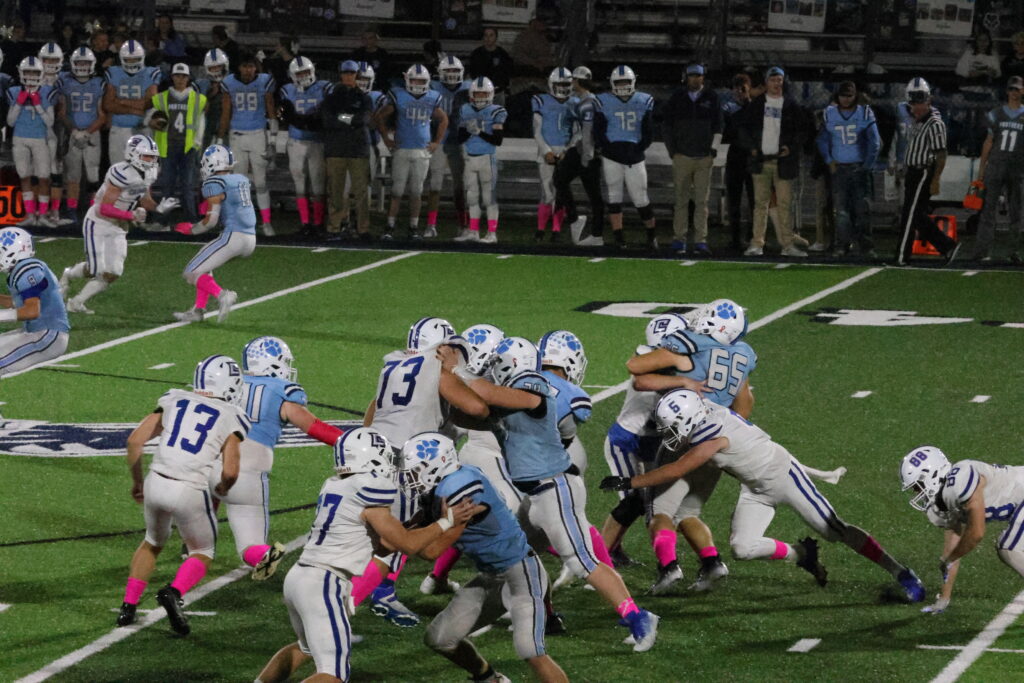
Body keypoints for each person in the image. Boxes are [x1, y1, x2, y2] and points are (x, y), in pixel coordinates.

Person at [602, 389, 926, 603]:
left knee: (834, 529)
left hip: (783, 477)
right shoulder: (704, 410)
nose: (670, 434)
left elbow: (677, 469)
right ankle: (801, 553)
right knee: (742, 548)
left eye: (674, 426)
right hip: (755, 488)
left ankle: (901, 572)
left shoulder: (711, 436)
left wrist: (629, 480)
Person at [454, 337, 660, 652]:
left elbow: (489, 393)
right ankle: (544, 615)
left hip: (554, 489)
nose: (492, 369)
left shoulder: (532, 384)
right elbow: (474, 412)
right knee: (514, 558)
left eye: (498, 363)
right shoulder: (509, 398)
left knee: (581, 562)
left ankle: (639, 618)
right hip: (535, 495)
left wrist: (456, 371)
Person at [254, 427, 478, 683]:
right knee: (333, 674)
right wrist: (446, 522)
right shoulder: (370, 485)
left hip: (300, 577)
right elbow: (407, 545)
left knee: (305, 649)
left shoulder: (335, 484)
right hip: (324, 581)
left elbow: (386, 544)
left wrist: (417, 526)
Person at [355, 318, 489, 627]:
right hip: (406, 458)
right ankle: (373, 595)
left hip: (374, 452)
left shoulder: (394, 364)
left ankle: (357, 588)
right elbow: (477, 408)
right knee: (400, 534)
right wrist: (460, 376)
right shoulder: (435, 369)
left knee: (374, 531)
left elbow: (374, 408)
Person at [405, 433, 569, 683]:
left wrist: (405, 539)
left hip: (522, 573)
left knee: (531, 651)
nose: (412, 477)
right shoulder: (450, 482)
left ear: (439, 463)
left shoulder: (460, 491)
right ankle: (490, 679)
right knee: (439, 638)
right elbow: (417, 528)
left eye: (418, 470)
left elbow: (431, 551)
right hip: (492, 577)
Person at [116, 355, 249, 634]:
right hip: (189, 489)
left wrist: (137, 482)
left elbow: (134, 441)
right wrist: (223, 488)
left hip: (156, 481)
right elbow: (231, 471)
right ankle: (173, 592)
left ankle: (128, 606)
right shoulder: (231, 415)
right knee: (202, 551)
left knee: (152, 542)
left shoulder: (174, 398)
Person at [212, 336, 345, 581]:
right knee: (249, 546)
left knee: (203, 522)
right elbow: (313, 427)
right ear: (273, 363)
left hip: (211, 458)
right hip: (249, 467)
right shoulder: (280, 390)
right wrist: (349, 441)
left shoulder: (230, 383)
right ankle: (261, 554)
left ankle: (194, 544)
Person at [60, 135, 178, 314]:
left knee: (113, 272)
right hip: (98, 223)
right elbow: (104, 208)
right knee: (95, 269)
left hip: (119, 225)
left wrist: (158, 208)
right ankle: (68, 274)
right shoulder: (121, 172)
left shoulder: (147, 173)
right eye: (147, 156)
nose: (151, 161)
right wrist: (131, 215)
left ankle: (76, 302)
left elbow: (144, 197)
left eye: (153, 157)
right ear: (133, 154)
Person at [899, 446, 1024, 614]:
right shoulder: (944, 500)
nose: (917, 492)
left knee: (1008, 548)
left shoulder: (960, 479)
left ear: (933, 475)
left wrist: (951, 559)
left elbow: (976, 533)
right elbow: (952, 550)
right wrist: (943, 599)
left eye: (918, 486)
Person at [172, 144, 256, 324]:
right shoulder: (240, 179)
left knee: (190, 272)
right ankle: (198, 310)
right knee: (204, 267)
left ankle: (222, 295)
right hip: (250, 239)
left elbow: (210, 222)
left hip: (233, 237)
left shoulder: (214, 183)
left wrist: (191, 229)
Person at [738, 66, 811, 258]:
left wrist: (791, 147)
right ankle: (757, 243)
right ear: (766, 82)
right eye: (773, 80)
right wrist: (752, 148)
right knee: (760, 204)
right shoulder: (757, 104)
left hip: (783, 162)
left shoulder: (791, 105)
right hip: (761, 161)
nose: (777, 83)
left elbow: (802, 130)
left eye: (779, 80)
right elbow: (743, 129)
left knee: (784, 204)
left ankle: (787, 244)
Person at [892, 78, 960, 266]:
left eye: (920, 102)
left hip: (922, 171)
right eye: (913, 103)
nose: (916, 107)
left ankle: (902, 257)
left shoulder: (934, 123)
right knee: (916, 215)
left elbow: (941, 153)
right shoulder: (917, 120)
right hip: (913, 171)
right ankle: (947, 245)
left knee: (910, 215)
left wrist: (935, 179)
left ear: (928, 100)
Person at [376, 64, 447, 241]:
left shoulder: (432, 97)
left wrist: (437, 142)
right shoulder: (398, 94)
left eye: (421, 81)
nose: (417, 84)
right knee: (397, 190)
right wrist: (386, 138)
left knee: (416, 191)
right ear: (407, 80)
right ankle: (390, 226)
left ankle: (413, 227)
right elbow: (380, 116)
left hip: (422, 150)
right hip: (402, 149)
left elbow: (444, 119)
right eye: (414, 80)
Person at [595, 65, 657, 251]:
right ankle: (619, 238)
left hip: (634, 155)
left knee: (641, 198)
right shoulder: (603, 101)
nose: (622, 86)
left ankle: (651, 236)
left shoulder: (643, 100)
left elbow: (648, 132)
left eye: (625, 82)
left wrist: (637, 150)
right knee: (614, 197)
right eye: (619, 82)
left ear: (633, 82)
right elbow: (599, 132)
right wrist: (608, 149)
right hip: (611, 155)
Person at [816, 81, 881, 258]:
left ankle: (864, 246)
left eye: (849, 96)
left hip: (858, 167)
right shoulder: (830, 113)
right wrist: (829, 160)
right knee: (842, 211)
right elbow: (822, 139)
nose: (846, 99)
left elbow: (875, 142)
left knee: (861, 210)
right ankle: (843, 245)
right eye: (843, 95)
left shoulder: (864, 112)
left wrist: (867, 165)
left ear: (855, 96)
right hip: (840, 168)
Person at [663, 64, 722, 258]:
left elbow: (718, 125)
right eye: (692, 76)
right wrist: (673, 151)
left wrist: (712, 150)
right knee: (680, 200)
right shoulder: (677, 98)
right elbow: (667, 126)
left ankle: (700, 240)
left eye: (698, 76)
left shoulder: (711, 97)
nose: (695, 79)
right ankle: (679, 238)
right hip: (683, 156)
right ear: (686, 77)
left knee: (701, 202)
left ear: (703, 77)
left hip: (703, 157)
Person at [0, 228, 70, 381]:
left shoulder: (27, 268)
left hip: (48, 334)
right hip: (36, 332)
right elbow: (17, 303)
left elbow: (31, 311)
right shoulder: (24, 268)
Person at [970, 76, 1024, 263]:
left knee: (1016, 212)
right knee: (987, 210)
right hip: (996, 165)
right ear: (1007, 91)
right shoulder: (996, 114)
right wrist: (981, 170)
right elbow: (989, 141)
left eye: (1017, 89)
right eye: (1012, 89)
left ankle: (1013, 251)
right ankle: (982, 251)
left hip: (1017, 168)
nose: (1014, 92)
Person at [223, 52, 278, 236]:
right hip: (237, 134)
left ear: (256, 67)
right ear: (239, 67)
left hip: (257, 134)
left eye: (251, 66)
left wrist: (272, 139)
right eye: (245, 66)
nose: (248, 70)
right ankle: (241, 223)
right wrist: (220, 137)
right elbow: (226, 112)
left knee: (261, 182)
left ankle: (266, 222)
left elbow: (271, 110)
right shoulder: (229, 83)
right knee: (239, 183)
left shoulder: (264, 81)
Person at [321, 60, 374, 242]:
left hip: (358, 149)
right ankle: (335, 227)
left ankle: (362, 229)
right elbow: (327, 120)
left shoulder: (364, 98)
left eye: (352, 73)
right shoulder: (331, 97)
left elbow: (363, 120)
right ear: (341, 74)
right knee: (336, 192)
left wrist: (341, 118)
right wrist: (350, 119)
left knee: (361, 192)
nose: (349, 76)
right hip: (336, 149)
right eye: (346, 73)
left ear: (357, 75)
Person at [147, 63, 206, 224]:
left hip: (188, 147)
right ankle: (163, 222)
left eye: (183, 76)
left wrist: (196, 144)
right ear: (172, 77)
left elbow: (200, 122)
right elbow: (149, 118)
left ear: (188, 78)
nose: (180, 79)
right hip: (167, 146)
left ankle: (190, 222)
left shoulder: (197, 98)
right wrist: (152, 122)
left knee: (188, 186)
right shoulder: (162, 97)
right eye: (177, 76)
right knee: (168, 187)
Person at [279, 56, 332, 237]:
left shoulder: (324, 87)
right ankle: (305, 223)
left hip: (318, 141)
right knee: (300, 185)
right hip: (296, 141)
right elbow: (285, 115)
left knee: (318, 185)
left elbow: (328, 112)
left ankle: (318, 223)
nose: (303, 76)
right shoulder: (288, 90)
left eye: (306, 72)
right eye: (299, 73)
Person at [557, 66, 604, 247]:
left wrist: (587, 156)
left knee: (594, 196)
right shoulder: (582, 100)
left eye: (573, 80)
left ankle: (597, 234)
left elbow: (587, 131)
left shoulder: (588, 102)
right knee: (559, 180)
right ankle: (575, 219)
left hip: (587, 152)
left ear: (577, 81)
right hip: (579, 150)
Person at [9, 57, 58, 229]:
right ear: (21, 73)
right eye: (27, 71)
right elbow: (10, 122)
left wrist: (38, 106)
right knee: (24, 176)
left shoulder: (47, 92)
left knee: (43, 177)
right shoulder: (15, 91)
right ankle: (30, 215)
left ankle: (42, 215)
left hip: (39, 138)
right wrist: (18, 104)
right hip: (20, 138)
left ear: (41, 73)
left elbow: (50, 122)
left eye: (34, 72)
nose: (30, 75)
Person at [455, 77, 506, 244]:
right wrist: (468, 130)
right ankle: (473, 231)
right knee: (471, 197)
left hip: (487, 158)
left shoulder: (496, 111)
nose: (480, 97)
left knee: (488, 198)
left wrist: (478, 132)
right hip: (470, 158)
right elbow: (460, 138)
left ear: (490, 94)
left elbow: (497, 140)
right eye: (477, 94)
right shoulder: (465, 110)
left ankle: (492, 233)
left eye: (483, 93)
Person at [60, 47, 107, 226]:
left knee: (93, 175)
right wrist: (74, 130)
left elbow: (102, 114)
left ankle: (94, 211)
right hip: (73, 134)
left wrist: (88, 132)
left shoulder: (99, 83)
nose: (82, 65)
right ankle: (71, 210)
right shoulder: (65, 81)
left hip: (92, 134)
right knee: (73, 176)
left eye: (85, 62)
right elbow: (62, 112)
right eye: (79, 62)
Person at [427, 55, 471, 238]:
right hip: (438, 140)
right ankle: (431, 224)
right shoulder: (432, 87)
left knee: (461, 186)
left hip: (458, 142)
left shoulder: (469, 88)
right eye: (448, 70)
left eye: (455, 70)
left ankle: (464, 224)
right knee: (435, 185)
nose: (452, 73)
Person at [103, 39, 161, 164]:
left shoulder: (150, 73)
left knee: (143, 169)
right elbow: (108, 104)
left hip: (142, 128)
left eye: (135, 59)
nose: (132, 62)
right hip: (118, 128)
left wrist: (121, 101)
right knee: (118, 170)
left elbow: (149, 103)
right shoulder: (114, 72)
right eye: (128, 59)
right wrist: (135, 110)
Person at [532, 67, 573, 241]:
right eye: (559, 84)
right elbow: (537, 130)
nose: (562, 88)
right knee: (547, 193)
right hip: (546, 150)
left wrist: (567, 151)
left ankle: (556, 230)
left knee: (560, 193)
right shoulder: (540, 100)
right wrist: (546, 151)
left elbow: (578, 132)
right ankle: (541, 229)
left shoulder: (575, 102)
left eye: (565, 84)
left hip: (565, 150)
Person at [37, 42, 70, 227]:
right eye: (47, 59)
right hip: (36, 128)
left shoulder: (65, 79)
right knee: (38, 171)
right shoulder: (32, 75)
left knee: (56, 170)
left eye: (53, 59)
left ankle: (55, 211)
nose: (50, 63)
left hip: (57, 128)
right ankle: (38, 210)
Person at [721, 73, 755, 252]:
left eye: (743, 89)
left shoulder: (755, 107)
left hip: (752, 158)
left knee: (754, 200)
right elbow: (726, 133)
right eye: (736, 89)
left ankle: (753, 237)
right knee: (734, 200)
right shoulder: (728, 109)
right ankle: (735, 238)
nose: (740, 93)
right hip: (735, 157)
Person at [197, 49, 231, 151]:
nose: (216, 70)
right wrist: (210, 94)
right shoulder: (201, 84)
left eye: (218, 66)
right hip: (207, 127)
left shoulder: (232, 82)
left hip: (228, 128)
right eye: (213, 67)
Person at [468, 28, 513, 102]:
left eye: (491, 35)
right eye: (486, 35)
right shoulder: (476, 54)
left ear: (496, 37)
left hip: (498, 91)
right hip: (480, 91)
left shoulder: (502, 54)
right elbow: (472, 73)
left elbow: (507, 73)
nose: (488, 38)